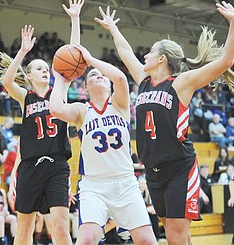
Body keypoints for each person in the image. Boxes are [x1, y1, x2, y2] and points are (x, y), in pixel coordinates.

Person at [95, 1, 234, 244]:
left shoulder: (181, 83)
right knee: (177, 234)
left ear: (162, 58)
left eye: (150, 52)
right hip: (153, 170)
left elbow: (225, 62)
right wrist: (113, 28)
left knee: (175, 236)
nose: (144, 55)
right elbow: (125, 52)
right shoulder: (144, 81)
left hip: (179, 168)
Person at [0, 0, 84, 245]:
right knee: (24, 229)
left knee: (59, 227)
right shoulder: (26, 97)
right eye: (39, 69)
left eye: (47, 68)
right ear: (31, 76)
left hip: (57, 166)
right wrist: (23, 52)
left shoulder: (60, 92)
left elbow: (73, 55)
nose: (45, 71)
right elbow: (6, 82)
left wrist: (75, 20)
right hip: (29, 167)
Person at [50, 43, 157, 245]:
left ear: (109, 85)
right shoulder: (82, 111)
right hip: (94, 185)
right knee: (87, 239)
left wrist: (90, 61)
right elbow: (55, 109)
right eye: (92, 75)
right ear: (85, 87)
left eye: (102, 75)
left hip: (125, 183)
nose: (98, 76)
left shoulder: (119, 104)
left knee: (147, 241)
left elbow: (120, 77)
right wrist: (59, 80)